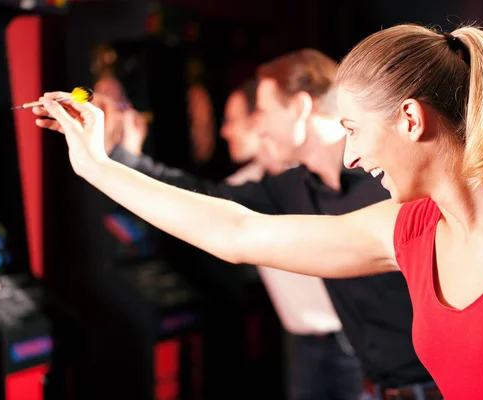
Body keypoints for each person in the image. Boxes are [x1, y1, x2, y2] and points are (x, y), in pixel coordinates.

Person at [35, 23, 483, 399]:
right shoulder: (406, 232)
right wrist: (97, 167)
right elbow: (238, 232)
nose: (350, 155)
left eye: (352, 131)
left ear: (410, 119)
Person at [101, 61, 373, 399]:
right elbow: (202, 200)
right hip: (327, 352)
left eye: (262, 111)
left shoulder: (380, 177)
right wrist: (115, 158)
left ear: (300, 107)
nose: (257, 127)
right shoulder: (287, 186)